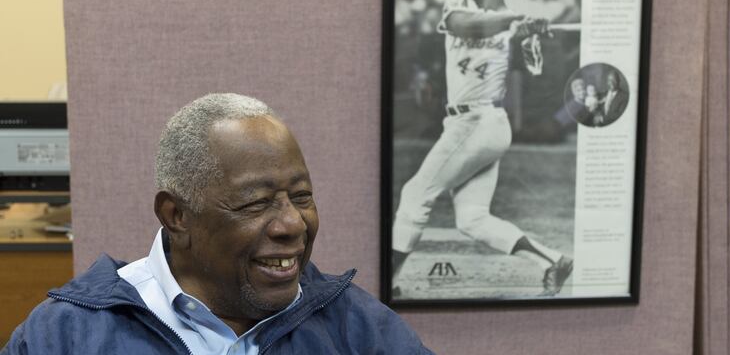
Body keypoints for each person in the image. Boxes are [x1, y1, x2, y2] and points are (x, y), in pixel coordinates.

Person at [3, 93, 433, 354]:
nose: (292, 225)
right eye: (256, 203)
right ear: (177, 216)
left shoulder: (357, 328)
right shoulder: (68, 335)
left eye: (301, 197)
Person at [391, 0, 573, 299]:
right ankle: (553, 261)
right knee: (472, 219)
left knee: (415, 195)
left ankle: (388, 282)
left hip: (480, 122)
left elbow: (534, 70)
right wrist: (515, 19)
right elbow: (465, 26)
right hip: (469, 125)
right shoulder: (459, 3)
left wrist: (530, 35)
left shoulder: (514, 19)